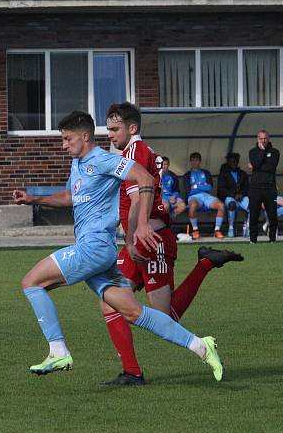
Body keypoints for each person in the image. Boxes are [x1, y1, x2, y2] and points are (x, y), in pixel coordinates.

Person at [12, 110, 224, 382]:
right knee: (133, 312)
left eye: (67, 139)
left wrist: (144, 223)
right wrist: (31, 200)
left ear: (85, 136)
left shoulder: (103, 159)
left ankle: (58, 350)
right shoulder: (78, 163)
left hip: (94, 248)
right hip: (101, 254)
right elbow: (70, 196)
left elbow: (145, 178)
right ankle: (200, 345)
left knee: (31, 282)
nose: (63, 145)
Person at [99, 102, 242, 385]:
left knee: (165, 320)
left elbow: (141, 198)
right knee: (109, 301)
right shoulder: (131, 152)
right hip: (140, 237)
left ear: (132, 128)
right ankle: (132, 372)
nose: (109, 135)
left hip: (151, 240)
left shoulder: (136, 151)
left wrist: (130, 239)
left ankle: (204, 263)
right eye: (108, 129)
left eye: (114, 129)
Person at [181, 152, 225, 239]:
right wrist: (202, 185)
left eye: (196, 160)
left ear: (200, 161)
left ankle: (217, 230)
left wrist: (196, 186)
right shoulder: (187, 175)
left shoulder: (206, 172)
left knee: (221, 205)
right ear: (190, 162)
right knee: (192, 206)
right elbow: (188, 190)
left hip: (206, 196)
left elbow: (209, 187)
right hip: (194, 197)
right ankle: (195, 230)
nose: (194, 162)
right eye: (192, 160)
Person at [247, 130, 280, 243]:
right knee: (254, 215)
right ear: (257, 139)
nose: (263, 140)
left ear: (268, 139)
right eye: (261, 138)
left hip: (270, 188)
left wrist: (256, 166)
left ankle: (272, 239)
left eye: (265, 138)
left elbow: (271, 167)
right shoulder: (252, 151)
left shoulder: (275, 152)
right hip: (255, 188)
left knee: (272, 215)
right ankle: (253, 239)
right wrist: (262, 152)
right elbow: (256, 164)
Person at [217, 152, 248, 237]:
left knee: (252, 205)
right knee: (232, 204)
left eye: (235, 161)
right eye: (231, 161)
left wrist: (241, 194)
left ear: (238, 162)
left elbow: (247, 187)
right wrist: (233, 195)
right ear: (228, 162)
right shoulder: (223, 174)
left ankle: (248, 227)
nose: (233, 163)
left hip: (241, 197)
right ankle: (231, 229)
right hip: (229, 197)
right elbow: (221, 189)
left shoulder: (242, 174)